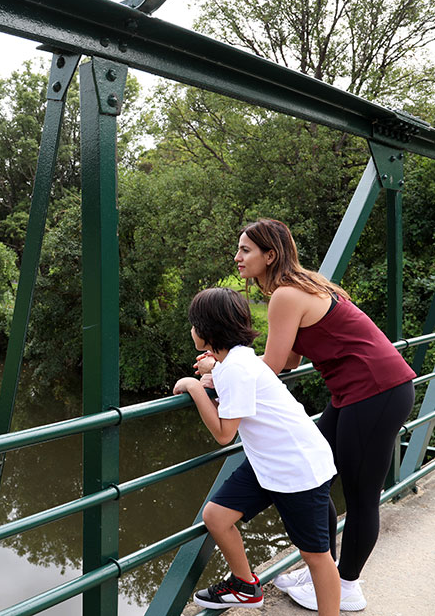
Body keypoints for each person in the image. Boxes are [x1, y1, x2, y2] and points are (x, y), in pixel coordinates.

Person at [196, 218, 416, 611]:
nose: (238, 257)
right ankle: (325, 569)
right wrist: (228, 367)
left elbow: (273, 364)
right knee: (317, 473)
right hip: (356, 391)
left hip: (375, 389)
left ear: (270, 255)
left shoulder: (285, 294)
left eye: (246, 250)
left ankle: (345, 586)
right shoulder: (305, 285)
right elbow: (291, 358)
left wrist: (218, 369)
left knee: (361, 495)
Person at [175, 287, 339, 614]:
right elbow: (229, 378)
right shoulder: (236, 360)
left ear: (208, 332)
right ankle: (246, 586)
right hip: (269, 463)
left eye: (194, 325)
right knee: (216, 516)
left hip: (297, 470)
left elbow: (224, 434)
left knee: (316, 557)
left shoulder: (235, 368)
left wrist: (195, 388)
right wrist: (212, 369)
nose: (191, 330)